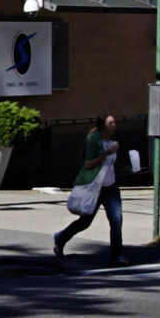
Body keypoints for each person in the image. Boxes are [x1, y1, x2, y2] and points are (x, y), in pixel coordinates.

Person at [55, 114, 124, 266]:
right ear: (103, 126)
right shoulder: (96, 141)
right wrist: (107, 153)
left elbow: (110, 166)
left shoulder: (112, 142)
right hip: (95, 188)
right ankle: (60, 238)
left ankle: (117, 256)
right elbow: (89, 164)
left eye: (115, 122)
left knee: (117, 220)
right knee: (85, 222)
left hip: (111, 188)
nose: (115, 125)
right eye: (111, 123)